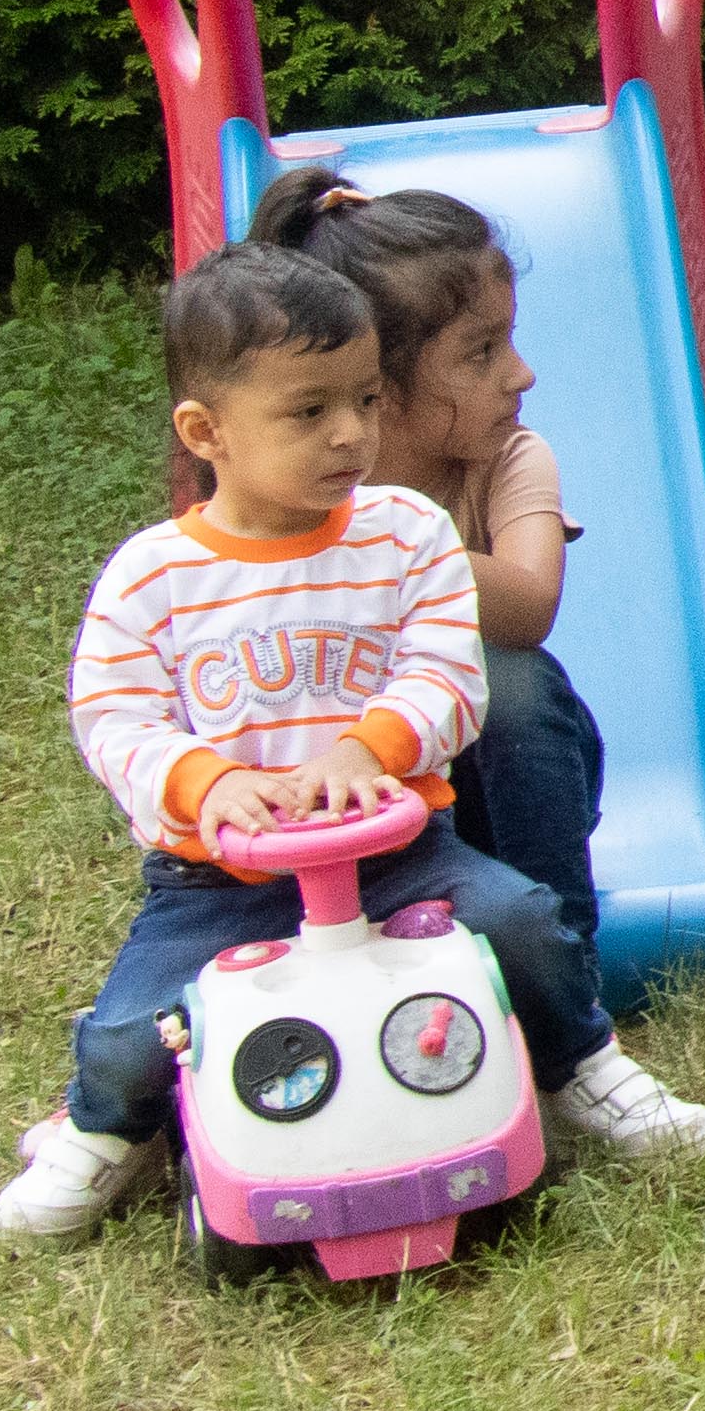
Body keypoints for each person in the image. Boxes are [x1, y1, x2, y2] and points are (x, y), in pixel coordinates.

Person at [0, 246, 705, 1245]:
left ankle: (583, 1067)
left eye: (366, 401)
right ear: (206, 433)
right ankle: (102, 1132)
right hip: (217, 882)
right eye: (309, 411)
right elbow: (114, 717)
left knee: (520, 923)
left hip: (402, 855)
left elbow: (450, 676)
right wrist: (205, 782)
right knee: (131, 1029)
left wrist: (370, 748)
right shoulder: (152, 576)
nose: (351, 433)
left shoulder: (405, 535)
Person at [241, 170, 606, 994]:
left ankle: (563, 970)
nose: (521, 374)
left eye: (508, 340)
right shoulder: (281, 497)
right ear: (378, 384)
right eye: (481, 352)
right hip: (342, 800)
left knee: (509, 680)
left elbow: (529, 608)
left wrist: (382, 542)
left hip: (491, 794)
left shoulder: (509, 460)